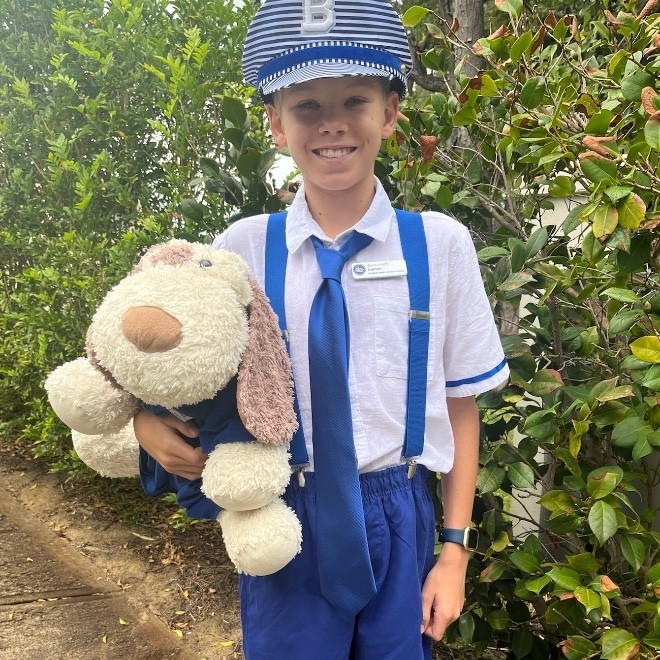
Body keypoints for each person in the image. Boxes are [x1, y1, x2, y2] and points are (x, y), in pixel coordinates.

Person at [134, 1, 509, 658]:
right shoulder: (241, 250)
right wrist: (144, 423)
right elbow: (176, 366)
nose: (333, 123)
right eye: (307, 106)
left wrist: (453, 551)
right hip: (284, 512)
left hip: (400, 513)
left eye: (355, 100)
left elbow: (460, 405)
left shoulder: (438, 246)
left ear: (390, 112)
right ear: (277, 123)